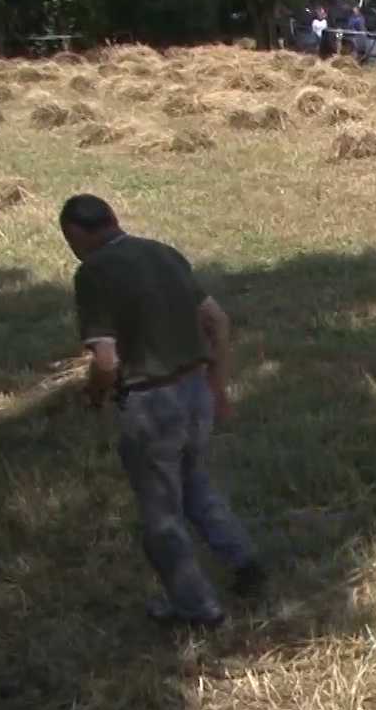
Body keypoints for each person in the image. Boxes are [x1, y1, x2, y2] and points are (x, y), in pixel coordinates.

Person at [61, 195, 263, 628]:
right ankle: (244, 560)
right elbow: (218, 321)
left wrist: (94, 395)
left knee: (161, 515)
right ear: (113, 219)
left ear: (76, 233)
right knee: (194, 482)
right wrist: (218, 387)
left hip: (152, 402)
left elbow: (106, 361)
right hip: (196, 390)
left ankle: (196, 608)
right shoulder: (162, 252)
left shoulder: (93, 272)